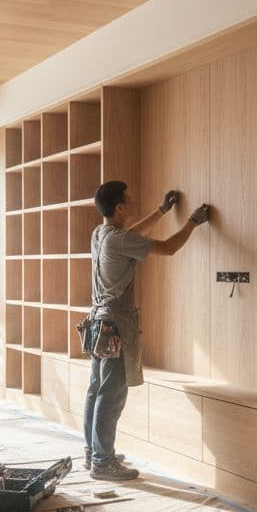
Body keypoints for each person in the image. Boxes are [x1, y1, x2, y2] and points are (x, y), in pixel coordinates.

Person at [83, 181, 210, 481]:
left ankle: (94, 453)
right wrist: (193, 222)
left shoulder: (100, 233)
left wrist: (161, 211)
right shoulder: (118, 240)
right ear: (120, 207)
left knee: (96, 390)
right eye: (128, 200)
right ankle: (103, 461)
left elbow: (130, 235)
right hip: (114, 325)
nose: (131, 202)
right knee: (111, 396)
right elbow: (169, 248)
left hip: (98, 323)